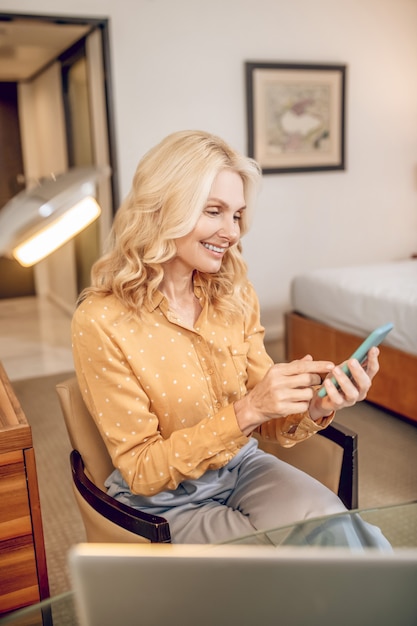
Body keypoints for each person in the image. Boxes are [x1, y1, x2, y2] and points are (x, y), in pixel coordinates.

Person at [72, 130, 389, 547]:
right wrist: (247, 410)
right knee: (270, 569)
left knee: (340, 533)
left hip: (242, 466)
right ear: (164, 208)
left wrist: (317, 402)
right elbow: (143, 468)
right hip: (163, 503)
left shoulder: (233, 295)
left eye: (236, 215)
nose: (232, 231)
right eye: (214, 211)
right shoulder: (101, 320)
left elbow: (268, 419)